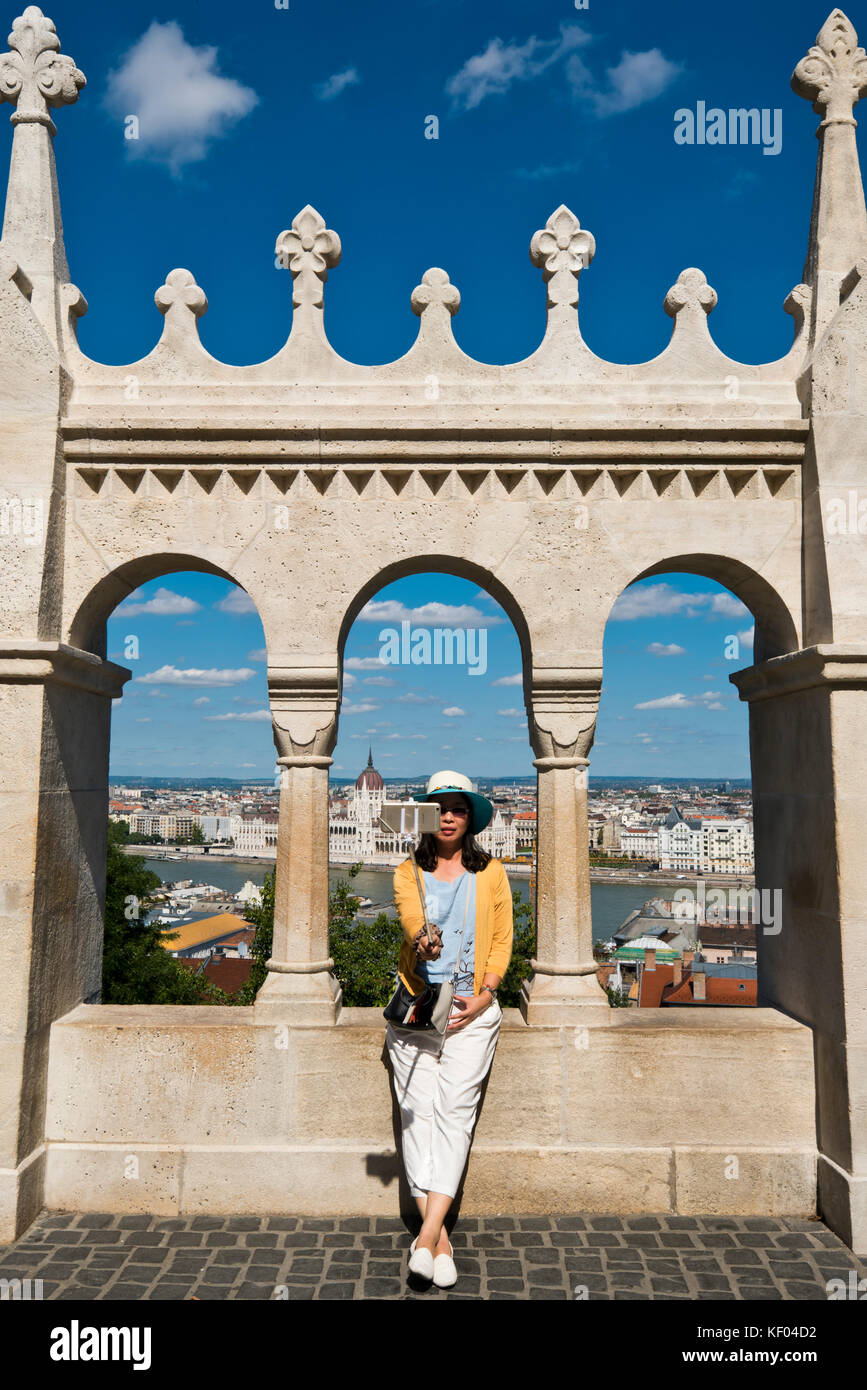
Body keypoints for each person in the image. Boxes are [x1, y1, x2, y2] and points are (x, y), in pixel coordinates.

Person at [386, 771, 513, 1288]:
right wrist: (423, 941)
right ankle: (438, 1240)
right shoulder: (405, 873)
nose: (447, 816)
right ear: (423, 815)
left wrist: (484, 996)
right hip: (418, 1012)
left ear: (470, 818)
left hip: (471, 1017)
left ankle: (424, 1236)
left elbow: (503, 939)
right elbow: (411, 918)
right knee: (417, 1119)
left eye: (457, 808)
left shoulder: (493, 873)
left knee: (454, 1117)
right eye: (438, 807)